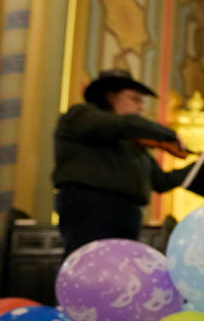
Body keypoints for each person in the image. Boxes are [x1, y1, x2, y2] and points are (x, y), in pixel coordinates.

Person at [52, 69, 195, 255]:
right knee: (90, 266)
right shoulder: (80, 116)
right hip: (92, 209)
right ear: (111, 97)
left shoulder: (132, 143)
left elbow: (160, 181)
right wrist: (168, 134)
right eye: (135, 99)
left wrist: (199, 166)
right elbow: (125, 124)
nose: (141, 108)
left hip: (128, 214)